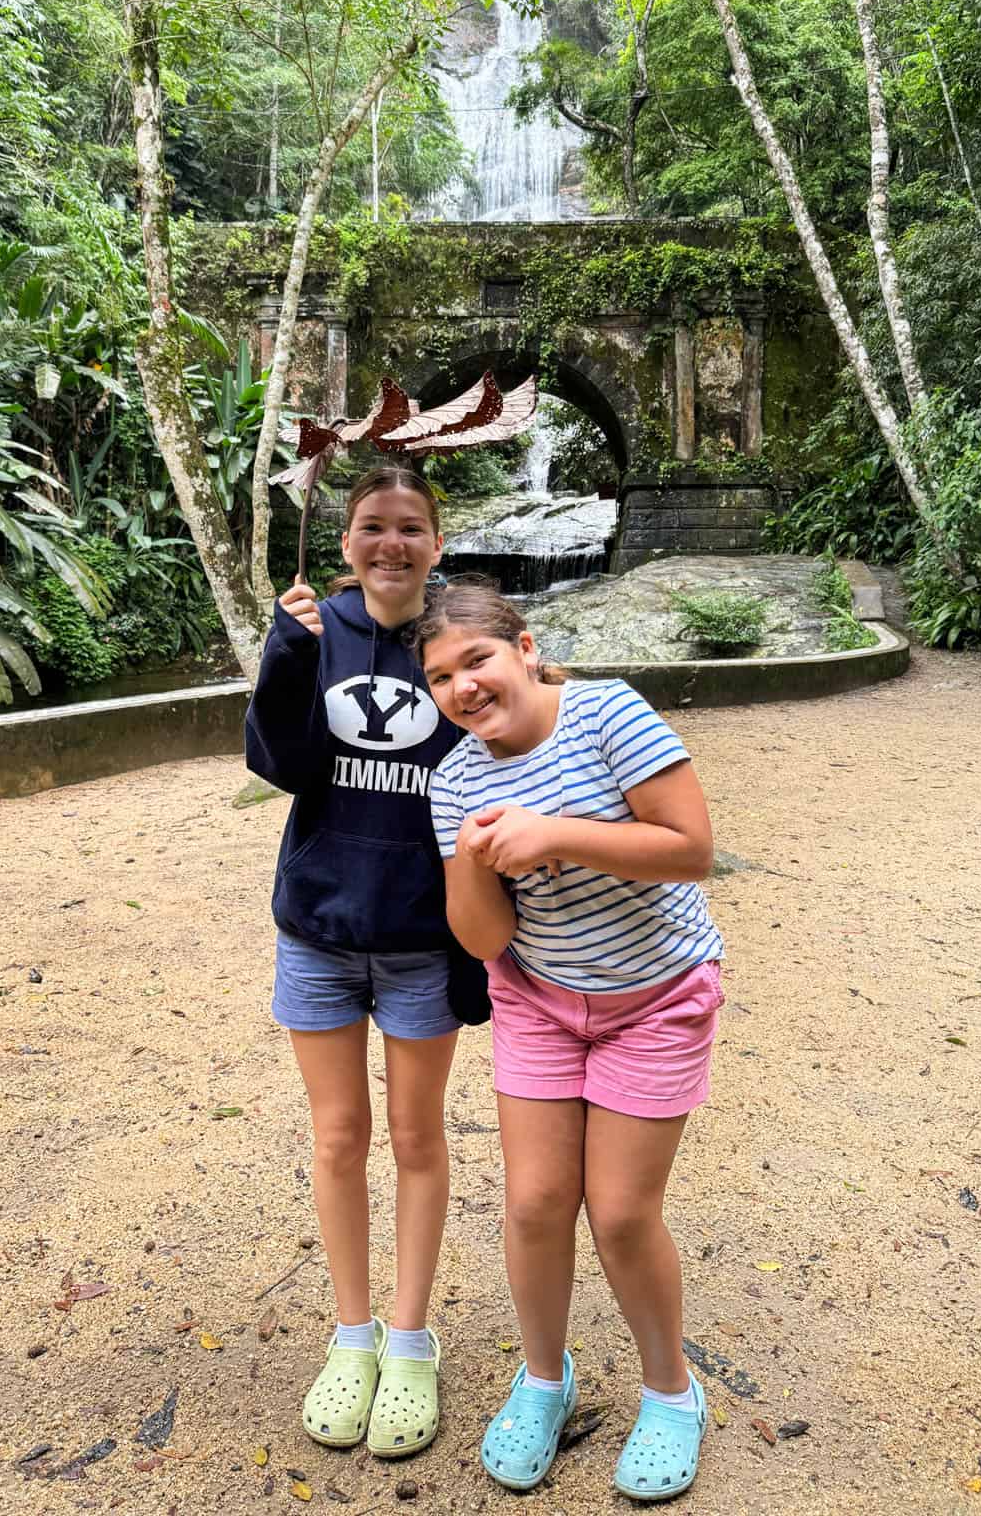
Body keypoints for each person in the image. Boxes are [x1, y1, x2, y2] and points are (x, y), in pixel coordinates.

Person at [415, 578, 723, 1503]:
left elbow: (691, 846)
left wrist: (557, 832)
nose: (463, 688)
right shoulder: (452, 780)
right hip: (541, 1001)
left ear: (524, 647)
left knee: (622, 1213)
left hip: (657, 996)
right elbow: (484, 940)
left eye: (477, 659)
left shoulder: (605, 715)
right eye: (440, 678)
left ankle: (672, 1392)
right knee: (538, 1202)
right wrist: (473, 858)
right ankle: (544, 1380)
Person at [245, 465, 468, 1461]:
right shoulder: (311, 630)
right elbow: (280, 765)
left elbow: (504, 747)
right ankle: (352, 1338)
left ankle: (411, 1344)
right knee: (339, 1137)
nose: (391, 544)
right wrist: (288, 657)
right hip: (320, 930)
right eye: (372, 527)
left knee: (419, 1141)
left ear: (434, 541)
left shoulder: (456, 642)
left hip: (424, 936)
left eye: (409, 528)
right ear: (346, 543)